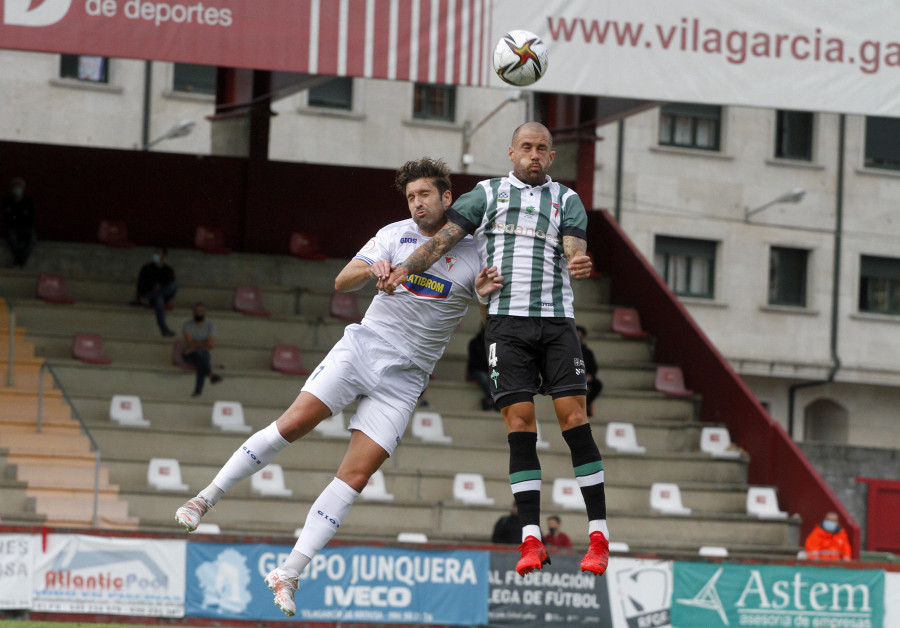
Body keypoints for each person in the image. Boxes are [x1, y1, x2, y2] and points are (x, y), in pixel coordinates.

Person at [174, 158, 502, 617]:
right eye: (410, 197)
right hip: (362, 350)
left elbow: (489, 321)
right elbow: (341, 278)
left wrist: (486, 296)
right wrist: (372, 269)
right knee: (292, 425)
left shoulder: (475, 250)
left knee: (356, 477)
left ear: (448, 198)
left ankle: (289, 572)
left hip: (405, 379)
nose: (416, 204)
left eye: (425, 195)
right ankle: (205, 498)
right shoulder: (392, 234)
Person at [383, 122, 610, 578]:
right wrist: (406, 268)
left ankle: (599, 536)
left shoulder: (566, 199)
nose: (533, 155)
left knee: (575, 419)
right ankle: (530, 539)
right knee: (520, 425)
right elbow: (443, 240)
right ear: (511, 152)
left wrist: (576, 258)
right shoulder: (486, 195)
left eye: (542, 149)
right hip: (505, 327)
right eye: (526, 147)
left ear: (551, 157)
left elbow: (573, 245)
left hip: (556, 322)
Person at [181, 302, 223, 397]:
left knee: (201, 358)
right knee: (202, 356)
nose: (198, 313)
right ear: (193, 313)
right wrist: (203, 344)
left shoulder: (211, 325)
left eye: (201, 311)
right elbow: (190, 343)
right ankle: (211, 375)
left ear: (205, 313)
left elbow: (210, 344)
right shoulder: (187, 325)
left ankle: (198, 391)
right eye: (196, 311)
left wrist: (195, 346)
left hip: (198, 352)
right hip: (189, 355)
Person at [135, 247, 178, 337]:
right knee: (159, 300)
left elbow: (170, 283)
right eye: (155, 253)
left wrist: (160, 287)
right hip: (150, 295)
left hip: (162, 295)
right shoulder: (147, 268)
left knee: (174, 285)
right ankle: (164, 329)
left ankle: (153, 296)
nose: (156, 255)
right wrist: (152, 288)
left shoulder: (168, 269)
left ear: (163, 256)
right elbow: (141, 285)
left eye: (158, 253)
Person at [1, 177, 37, 268]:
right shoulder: (7, 201)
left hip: (26, 227)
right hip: (12, 227)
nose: (17, 188)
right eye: (15, 186)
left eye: (19, 186)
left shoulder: (28, 201)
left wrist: (16, 213)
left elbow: (30, 217)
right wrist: (19, 214)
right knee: (12, 237)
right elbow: (8, 217)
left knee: (32, 238)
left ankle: (18, 261)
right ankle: (19, 261)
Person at [467, 323, 497, 411]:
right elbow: (475, 361)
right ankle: (494, 399)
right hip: (476, 370)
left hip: (488, 370)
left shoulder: (493, 344)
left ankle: (490, 400)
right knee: (484, 377)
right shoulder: (474, 342)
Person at [576, 326, 603, 417]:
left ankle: (586, 404)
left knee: (597, 385)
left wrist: (590, 375)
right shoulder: (565, 350)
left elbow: (593, 366)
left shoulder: (587, 352)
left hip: (584, 378)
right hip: (570, 379)